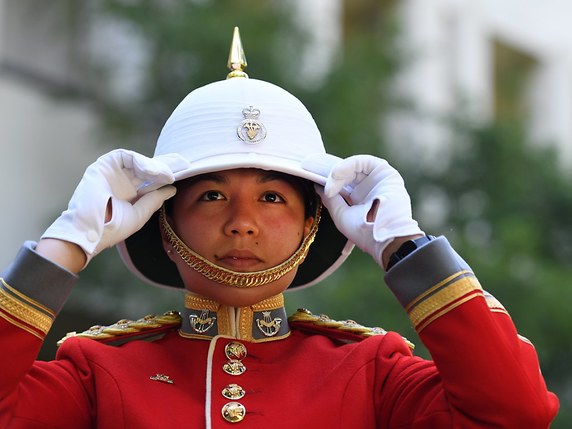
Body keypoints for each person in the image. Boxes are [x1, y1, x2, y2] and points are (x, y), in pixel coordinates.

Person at [0, 27, 559, 428]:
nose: (242, 223)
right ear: (163, 221)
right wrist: (68, 242)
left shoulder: (371, 372)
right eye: (212, 195)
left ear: (313, 222)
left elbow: (515, 412)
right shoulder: (100, 373)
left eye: (272, 198)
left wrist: (403, 244)